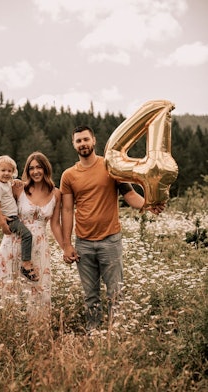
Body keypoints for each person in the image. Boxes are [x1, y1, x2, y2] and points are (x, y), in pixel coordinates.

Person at [60, 125, 164, 333]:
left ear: (94, 140)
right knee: (91, 295)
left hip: (110, 241)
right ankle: (94, 332)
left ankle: (117, 333)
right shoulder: (69, 176)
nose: (83, 144)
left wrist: (149, 204)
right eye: (78, 141)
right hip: (84, 244)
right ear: (74, 144)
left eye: (85, 139)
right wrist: (67, 245)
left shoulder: (111, 167)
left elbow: (130, 195)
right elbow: (68, 211)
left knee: (116, 292)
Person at [0, 151, 63, 317]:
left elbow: (55, 224)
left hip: (39, 248)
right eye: (31, 168)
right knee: (11, 290)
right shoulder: (19, 188)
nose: (35, 171)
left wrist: (66, 248)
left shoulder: (56, 194)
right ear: (27, 170)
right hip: (12, 244)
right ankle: (11, 332)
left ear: (46, 169)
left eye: (39, 167)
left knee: (39, 289)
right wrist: (1, 222)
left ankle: (37, 333)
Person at [0, 155, 38, 281]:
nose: (6, 173)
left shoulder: (7, 184)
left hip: (13, 217)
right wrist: (2, 223)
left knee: (25, 235)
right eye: (3, 170)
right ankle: (26, 264)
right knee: (27, 235)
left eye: (9, 171)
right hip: (10, 220)